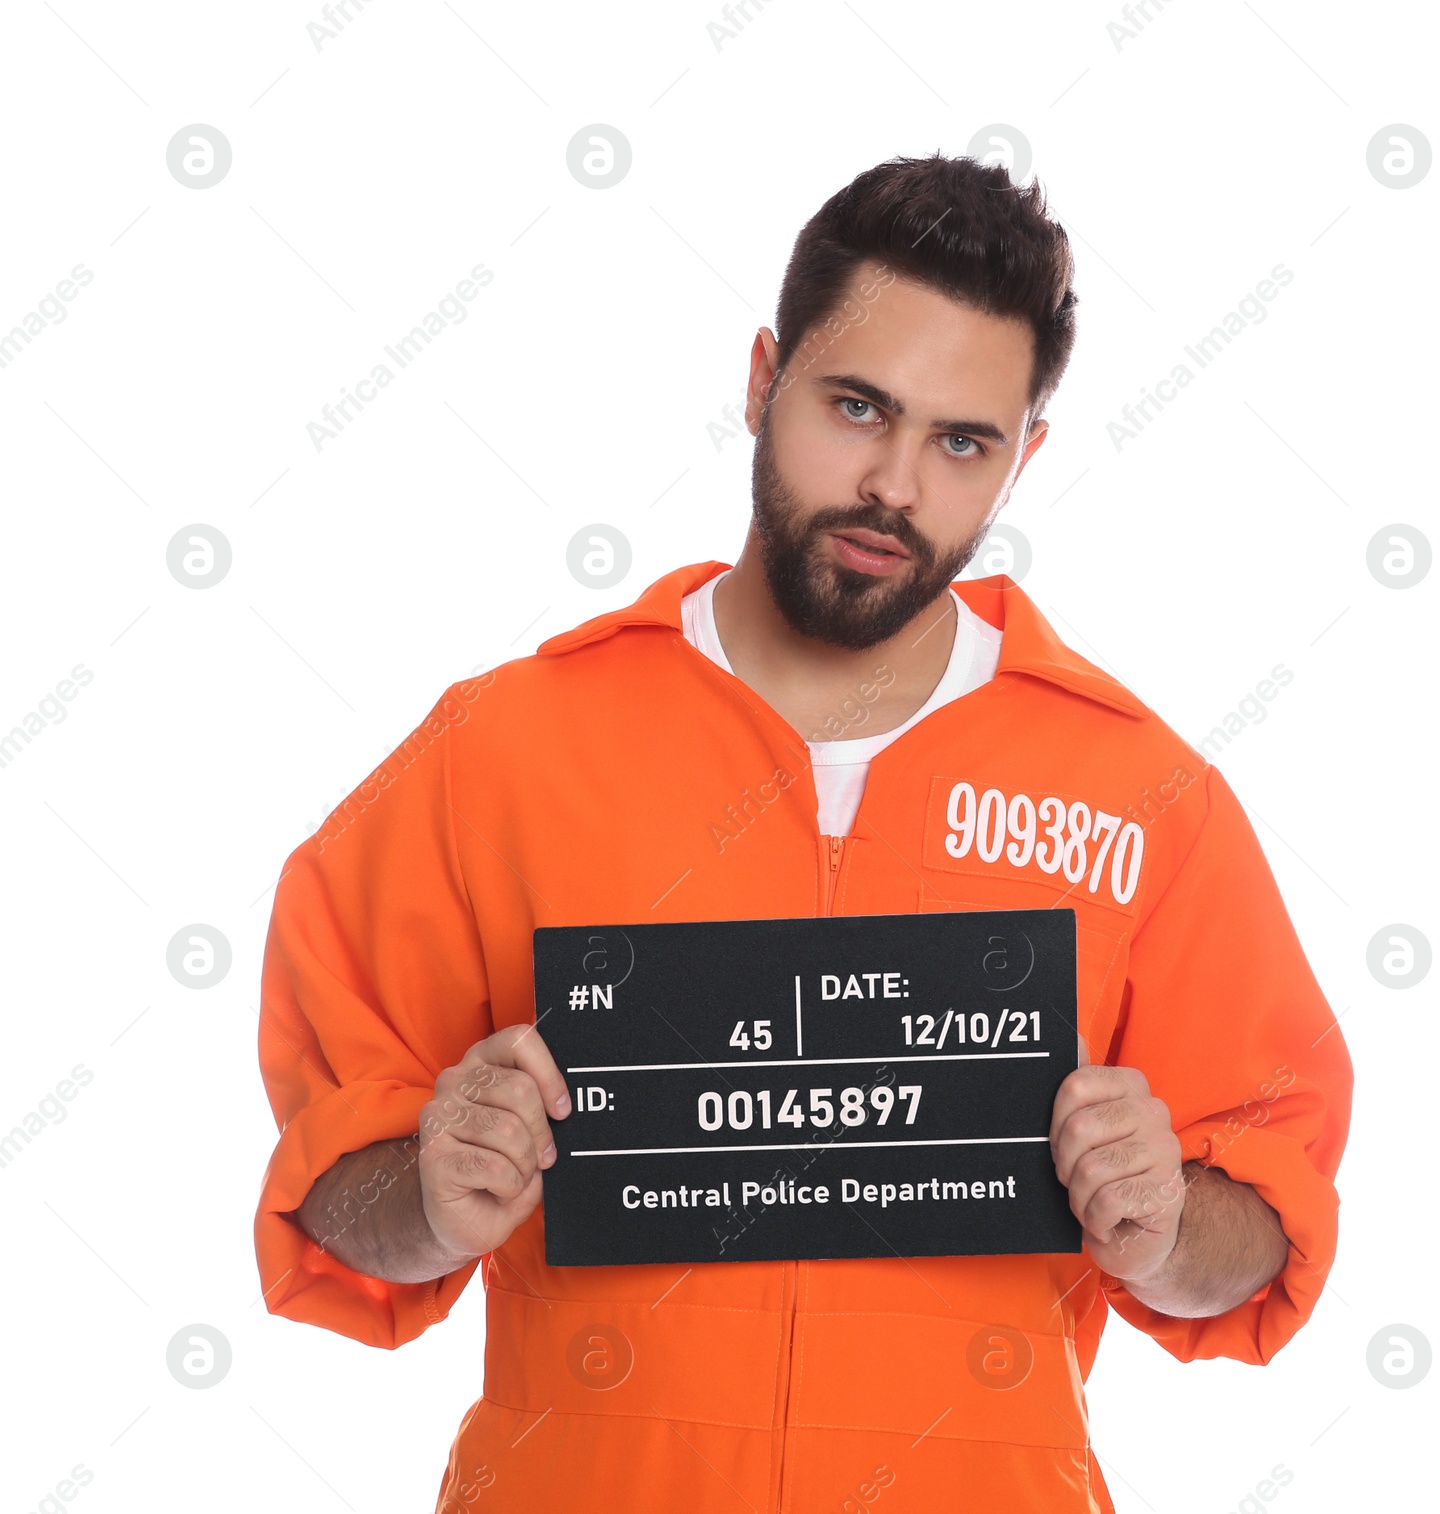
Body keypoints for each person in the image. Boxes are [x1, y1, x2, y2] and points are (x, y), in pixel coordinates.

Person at [254, 152, 1353, 1513]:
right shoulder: (501, 752)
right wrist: (429, 1188)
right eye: (856, 406)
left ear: (1026, 455)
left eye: (964, 441)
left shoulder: (1142, 795)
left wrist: (1169, 1220)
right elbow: (328, 1196)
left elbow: (1261, 1228)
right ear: (765, 376)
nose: (896, 485)